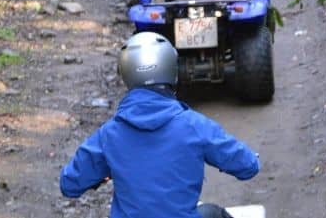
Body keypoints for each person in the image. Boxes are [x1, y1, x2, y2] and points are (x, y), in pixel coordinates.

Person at [59, 32, 260, 218]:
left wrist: (100, 175)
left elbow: (69, 185)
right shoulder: (195, 126)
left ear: (126, 74)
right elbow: (248, 167)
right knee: (213, 213)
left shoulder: (108, 135)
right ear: (171, 68)